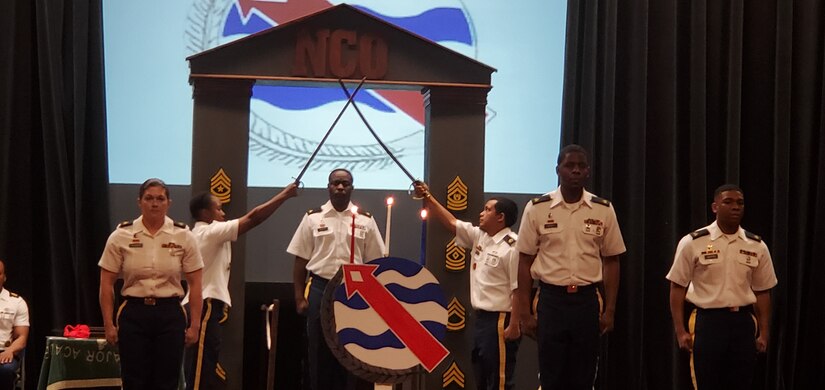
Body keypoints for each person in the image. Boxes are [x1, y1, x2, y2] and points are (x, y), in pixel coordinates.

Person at [513, 144, 626, 389]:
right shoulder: (538, 208)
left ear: (588, 172)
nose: (575, 171)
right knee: (552, 374)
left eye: (581, 166)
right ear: (558, 170)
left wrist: (610, 310)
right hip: (551, 300)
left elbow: (612, 260)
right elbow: (524, 261)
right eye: (569, 166)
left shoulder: (603, 209)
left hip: (587, 301)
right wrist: (524, 312)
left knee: (584, 376)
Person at [183, 182, 298, 390]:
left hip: (205, 305)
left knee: (205, 367)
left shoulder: (201, 234)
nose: (223, 213)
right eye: (218, 208)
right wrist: (284, 195)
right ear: (204, 213)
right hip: (205, 305)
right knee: (199, 372)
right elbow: (254, 218)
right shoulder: (209, 232)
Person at [666, 184, 777, 390]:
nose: (735, 207)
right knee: (706, 381)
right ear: (715, 207)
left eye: (740, 203)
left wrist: (764, 332)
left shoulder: (756, 246)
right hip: (708, 323)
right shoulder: (693, 242)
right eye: (728, 202)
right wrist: (680, 330)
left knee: (741, 382)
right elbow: (677, 287)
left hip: (743, 323)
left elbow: (763, 291)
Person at [99, 178, 204, 390]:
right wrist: (108, 323)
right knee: (134, 379)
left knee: (167, 380)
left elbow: (196, 285)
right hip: (134, 313)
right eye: (149, 198)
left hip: (170, 314)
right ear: (139, 202)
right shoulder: (121, 235)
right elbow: (106, 283)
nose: (154, 203)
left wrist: (195, 325)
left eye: (160, 199)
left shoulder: (184, 235)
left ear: (168, 203)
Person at [414, 182, 521, 390]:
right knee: (481, 374)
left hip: (500, 319)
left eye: (488, 210)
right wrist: (428, 196)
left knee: (499, 380)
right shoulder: (481, 237)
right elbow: (452, 223)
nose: (481, 214)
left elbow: (518, 289)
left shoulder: (512, 246)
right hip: (481, 320)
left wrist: (515, 324)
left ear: (501, 217)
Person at [287, 168, 385, 390]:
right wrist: (298, 298)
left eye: (345, 184)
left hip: (353, 290)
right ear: (328, 186)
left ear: (352, 188)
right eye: (336, 183)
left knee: (350, 351)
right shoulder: (313, 218)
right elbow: (300, 261)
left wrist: (372, 300)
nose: (340, 187)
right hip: (320, 286)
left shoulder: (365, 220)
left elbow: (375, 263)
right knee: (319, 350)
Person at [0, 260, 28, 390]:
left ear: (4, 277)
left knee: (5, 371)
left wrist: (10, 350)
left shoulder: (16, 302)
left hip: (4, 352)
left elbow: (22, 338)